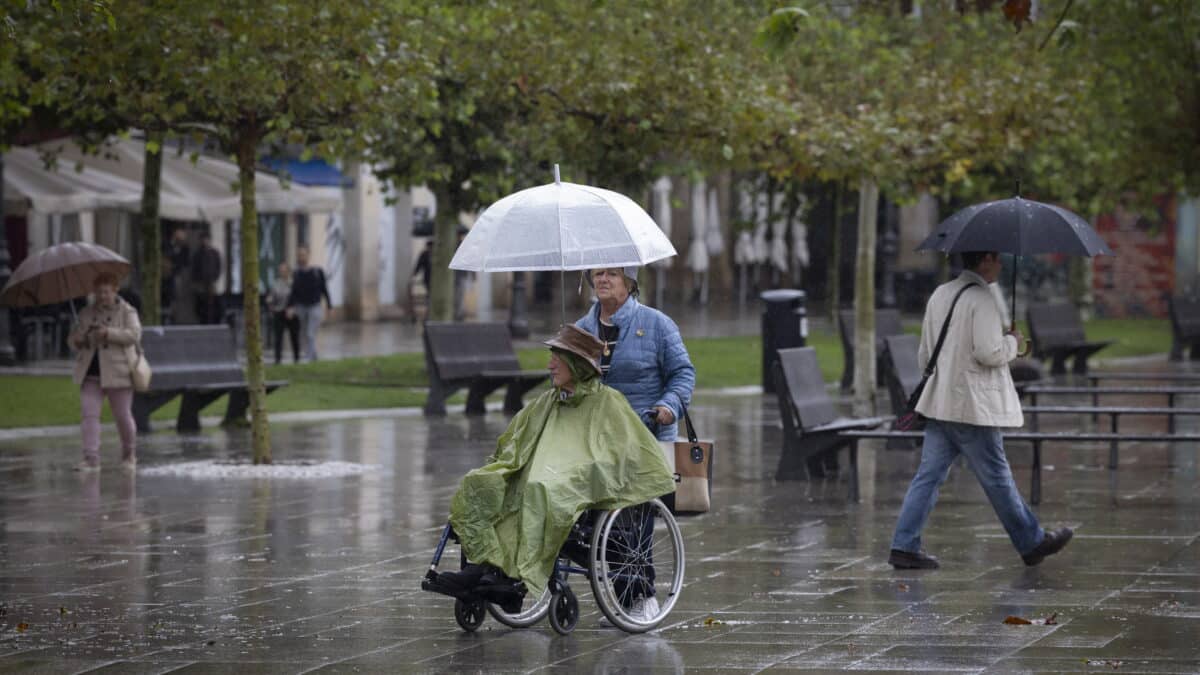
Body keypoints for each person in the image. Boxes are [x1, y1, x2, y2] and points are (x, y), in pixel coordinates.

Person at [441, 325, 676, 618]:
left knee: (538, 489)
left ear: (577, 365)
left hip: (575, 482)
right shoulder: (548, 401)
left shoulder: (608, 402)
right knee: (481, 483)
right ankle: (479, 569)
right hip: (539, 473)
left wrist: (577, 469)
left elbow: (623, 452)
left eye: (557, 358)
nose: (549, 364)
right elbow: (517, 439)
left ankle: (510, 580)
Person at [888, 251, 1073, 570]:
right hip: (972, 407)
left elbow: (924, 355)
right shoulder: (983, 299)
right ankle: (1032, 542)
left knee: (928, 477)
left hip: (939, 404)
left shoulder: (940, 294)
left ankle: (904, 545)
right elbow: (988, 352)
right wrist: (1013, 342)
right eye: (997, 259)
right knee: (997, 476)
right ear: (985, 260)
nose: (1001, 264)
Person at [575, 267, 696, 442]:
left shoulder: (658, 323)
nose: (603, 279)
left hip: (648, 440)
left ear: (629, 283)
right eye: (598, 274)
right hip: (594, 441)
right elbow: (569, 382)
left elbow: (683, 373)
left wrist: (669, 406)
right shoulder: (580, 330)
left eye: (612, 274)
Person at [68, 272, 142, 472]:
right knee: (89, 414)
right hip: (91, 373)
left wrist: (109, 333)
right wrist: (78, 339)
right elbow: (74, 340)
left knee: (122, 416)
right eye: (98, 292)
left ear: (115, 290)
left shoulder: (127, 311)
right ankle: (91, 459)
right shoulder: (86, 312)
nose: (102, 296)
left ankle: (129, 454)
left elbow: (134, 335)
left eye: (106, 292)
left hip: (118, 372)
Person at [287, 245, 332, 362]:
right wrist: (290, 306)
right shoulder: (297, 273)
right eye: (299, 255)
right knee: (304, 333)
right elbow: (294, 292)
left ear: (308, 255)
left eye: (303, 254)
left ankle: (309, 358)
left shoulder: (317, 272)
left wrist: (329, 305)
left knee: (310, 333)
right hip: (301, 306)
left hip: (315, 306)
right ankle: (313, 355)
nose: (301, 257)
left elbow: (324, 289)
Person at [267, 262, 300, 364]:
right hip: (279, 312)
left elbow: (298, 297)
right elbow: (272, 296)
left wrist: (293, 309)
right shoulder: (276, 283)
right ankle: (277, 359)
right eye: (281, 271)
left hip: (292, 313)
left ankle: (296, 358)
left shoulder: (294, 283)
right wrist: (270, 302)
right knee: (278, 337)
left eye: (284, 271)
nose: (282, 273)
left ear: (288, 272)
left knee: (294, 336)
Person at [190, 232, 222, 324]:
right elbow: (194, 268)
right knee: (201, 302)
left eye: (206, 239)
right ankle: (203, 320)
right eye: (203, 239)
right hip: (201, 283)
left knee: (212, 302)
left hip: (211, 281)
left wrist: (215, 278)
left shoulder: (214, 253)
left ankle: (212, 320)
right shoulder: (197, 254)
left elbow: (218, 266)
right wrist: (197, 280)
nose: (205, 241)